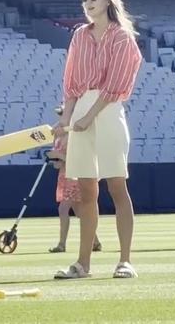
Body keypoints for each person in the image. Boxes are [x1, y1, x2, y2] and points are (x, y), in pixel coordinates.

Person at [52, 0, 142, 279]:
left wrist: (87, 117)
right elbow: (72, 82)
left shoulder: (121, 37)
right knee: (85, 192)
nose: (89, 3)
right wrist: (66, 118)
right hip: (81, 113)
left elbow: (115, 85)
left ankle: (125, 260)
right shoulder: (79, 36)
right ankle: (83, 264)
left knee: (117, 185)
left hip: (107, 113)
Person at [48, 107, 102, 253]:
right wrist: (55, 158)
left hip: (75, 175)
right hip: (65, 175)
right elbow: (59, 163)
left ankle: (62, 244)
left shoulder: (74, 136)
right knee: (79, 211)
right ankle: (95, 241)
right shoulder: (59, 137)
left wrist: (59, 157)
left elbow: (76, 157)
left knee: (63, 208)